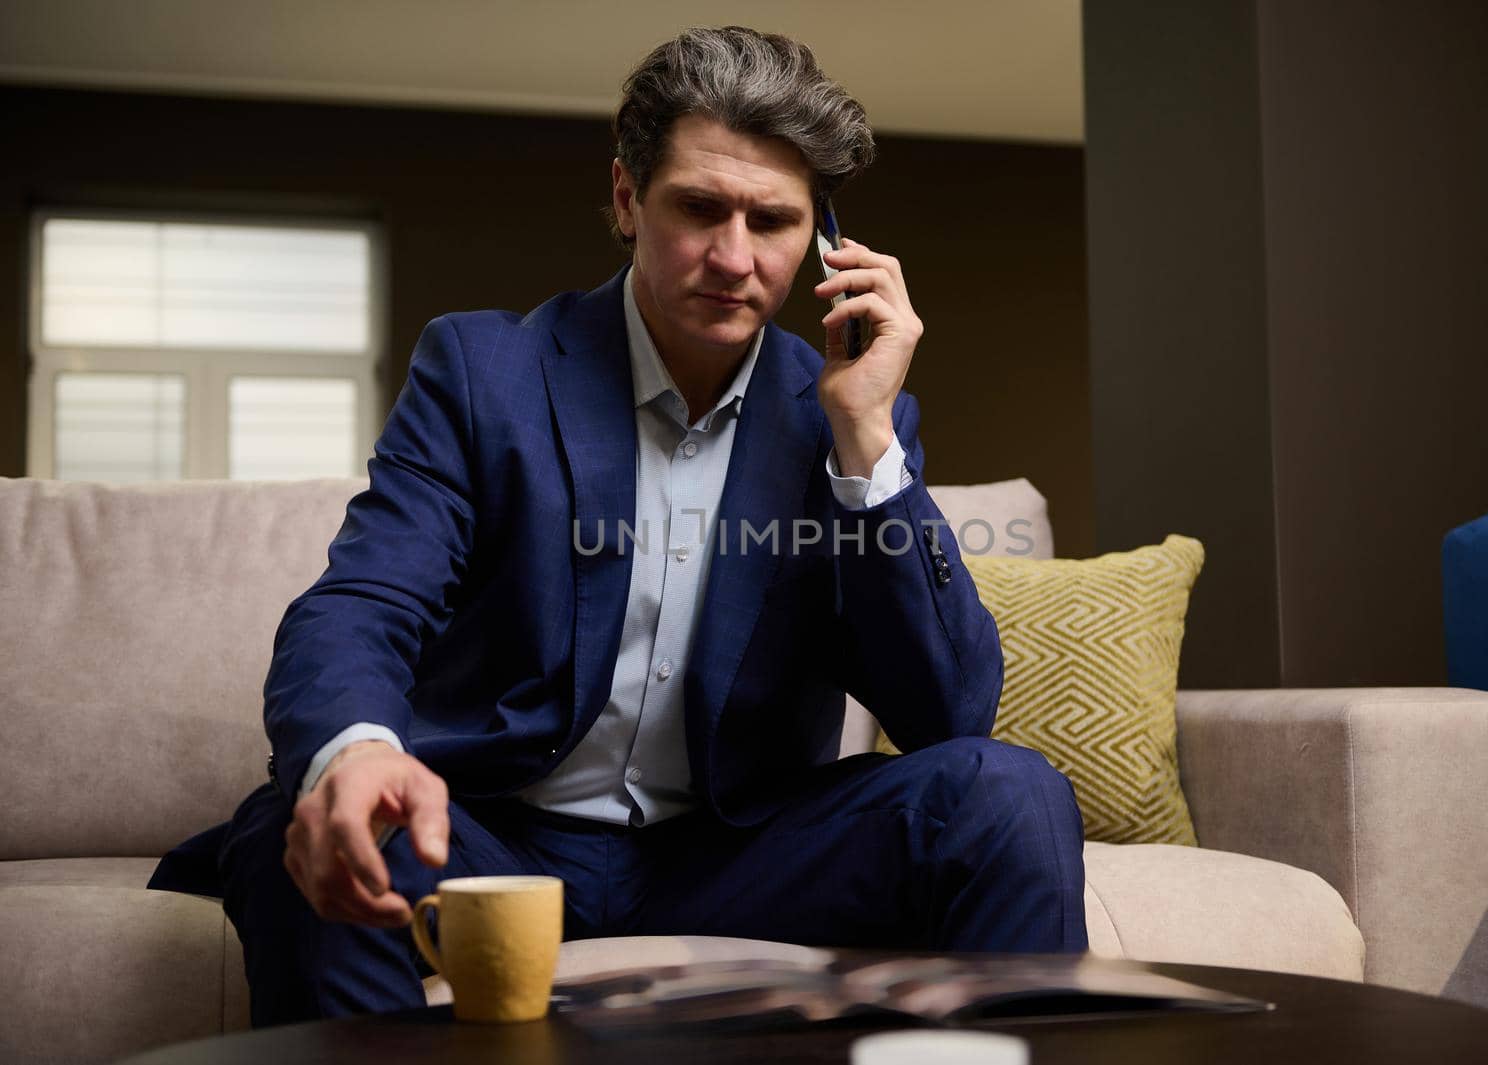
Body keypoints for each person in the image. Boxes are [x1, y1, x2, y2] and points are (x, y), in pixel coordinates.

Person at [213, 26, 1087, 1026]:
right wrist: (355, 753)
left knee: (1005, 793)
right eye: (699, 209)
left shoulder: (845, 415)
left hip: (736, 850)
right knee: (297, 821)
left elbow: (948, 715)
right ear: (629, 201)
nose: (733, 256)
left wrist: (864, 434)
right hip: (497, 838)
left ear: (824, 245)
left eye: (773, 221)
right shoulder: (481, 373)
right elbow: (364, 601)